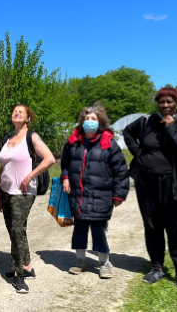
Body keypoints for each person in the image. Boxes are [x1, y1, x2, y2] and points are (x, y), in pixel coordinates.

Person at [123, 87, 177, 295]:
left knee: (176, 228)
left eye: (170, 102)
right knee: (152, 226)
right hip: (146, 182)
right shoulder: (146, 122)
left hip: (175, 183)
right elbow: (127, 133)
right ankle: (157, 267)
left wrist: (171, 128)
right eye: (161, 102)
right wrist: (137, 153)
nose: (165, 106)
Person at [61, 105, 129, 279]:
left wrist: (119, 194)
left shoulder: (109, 144)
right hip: (78, 195)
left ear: (100, 122)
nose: (89, 122)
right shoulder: (73, 142)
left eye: (93, 119)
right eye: (87, 119)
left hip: (101, 196)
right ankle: (80, 260)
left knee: (99, 229)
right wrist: (66, 177)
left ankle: (104, 262)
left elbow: (121, 171)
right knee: (80, 229)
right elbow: (65, 164)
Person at [0, 104, 54, 294]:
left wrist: (29, 176)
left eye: (22, 111)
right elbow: (3, 168)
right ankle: (27, 266)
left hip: (24, 192)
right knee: (15, 231)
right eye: (14, 111)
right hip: (5, 191)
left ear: (28, 118)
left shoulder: (32, 137)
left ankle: (18, 274)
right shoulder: (7, 139)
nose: (17, 113)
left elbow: (49, 159)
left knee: (17, 229)